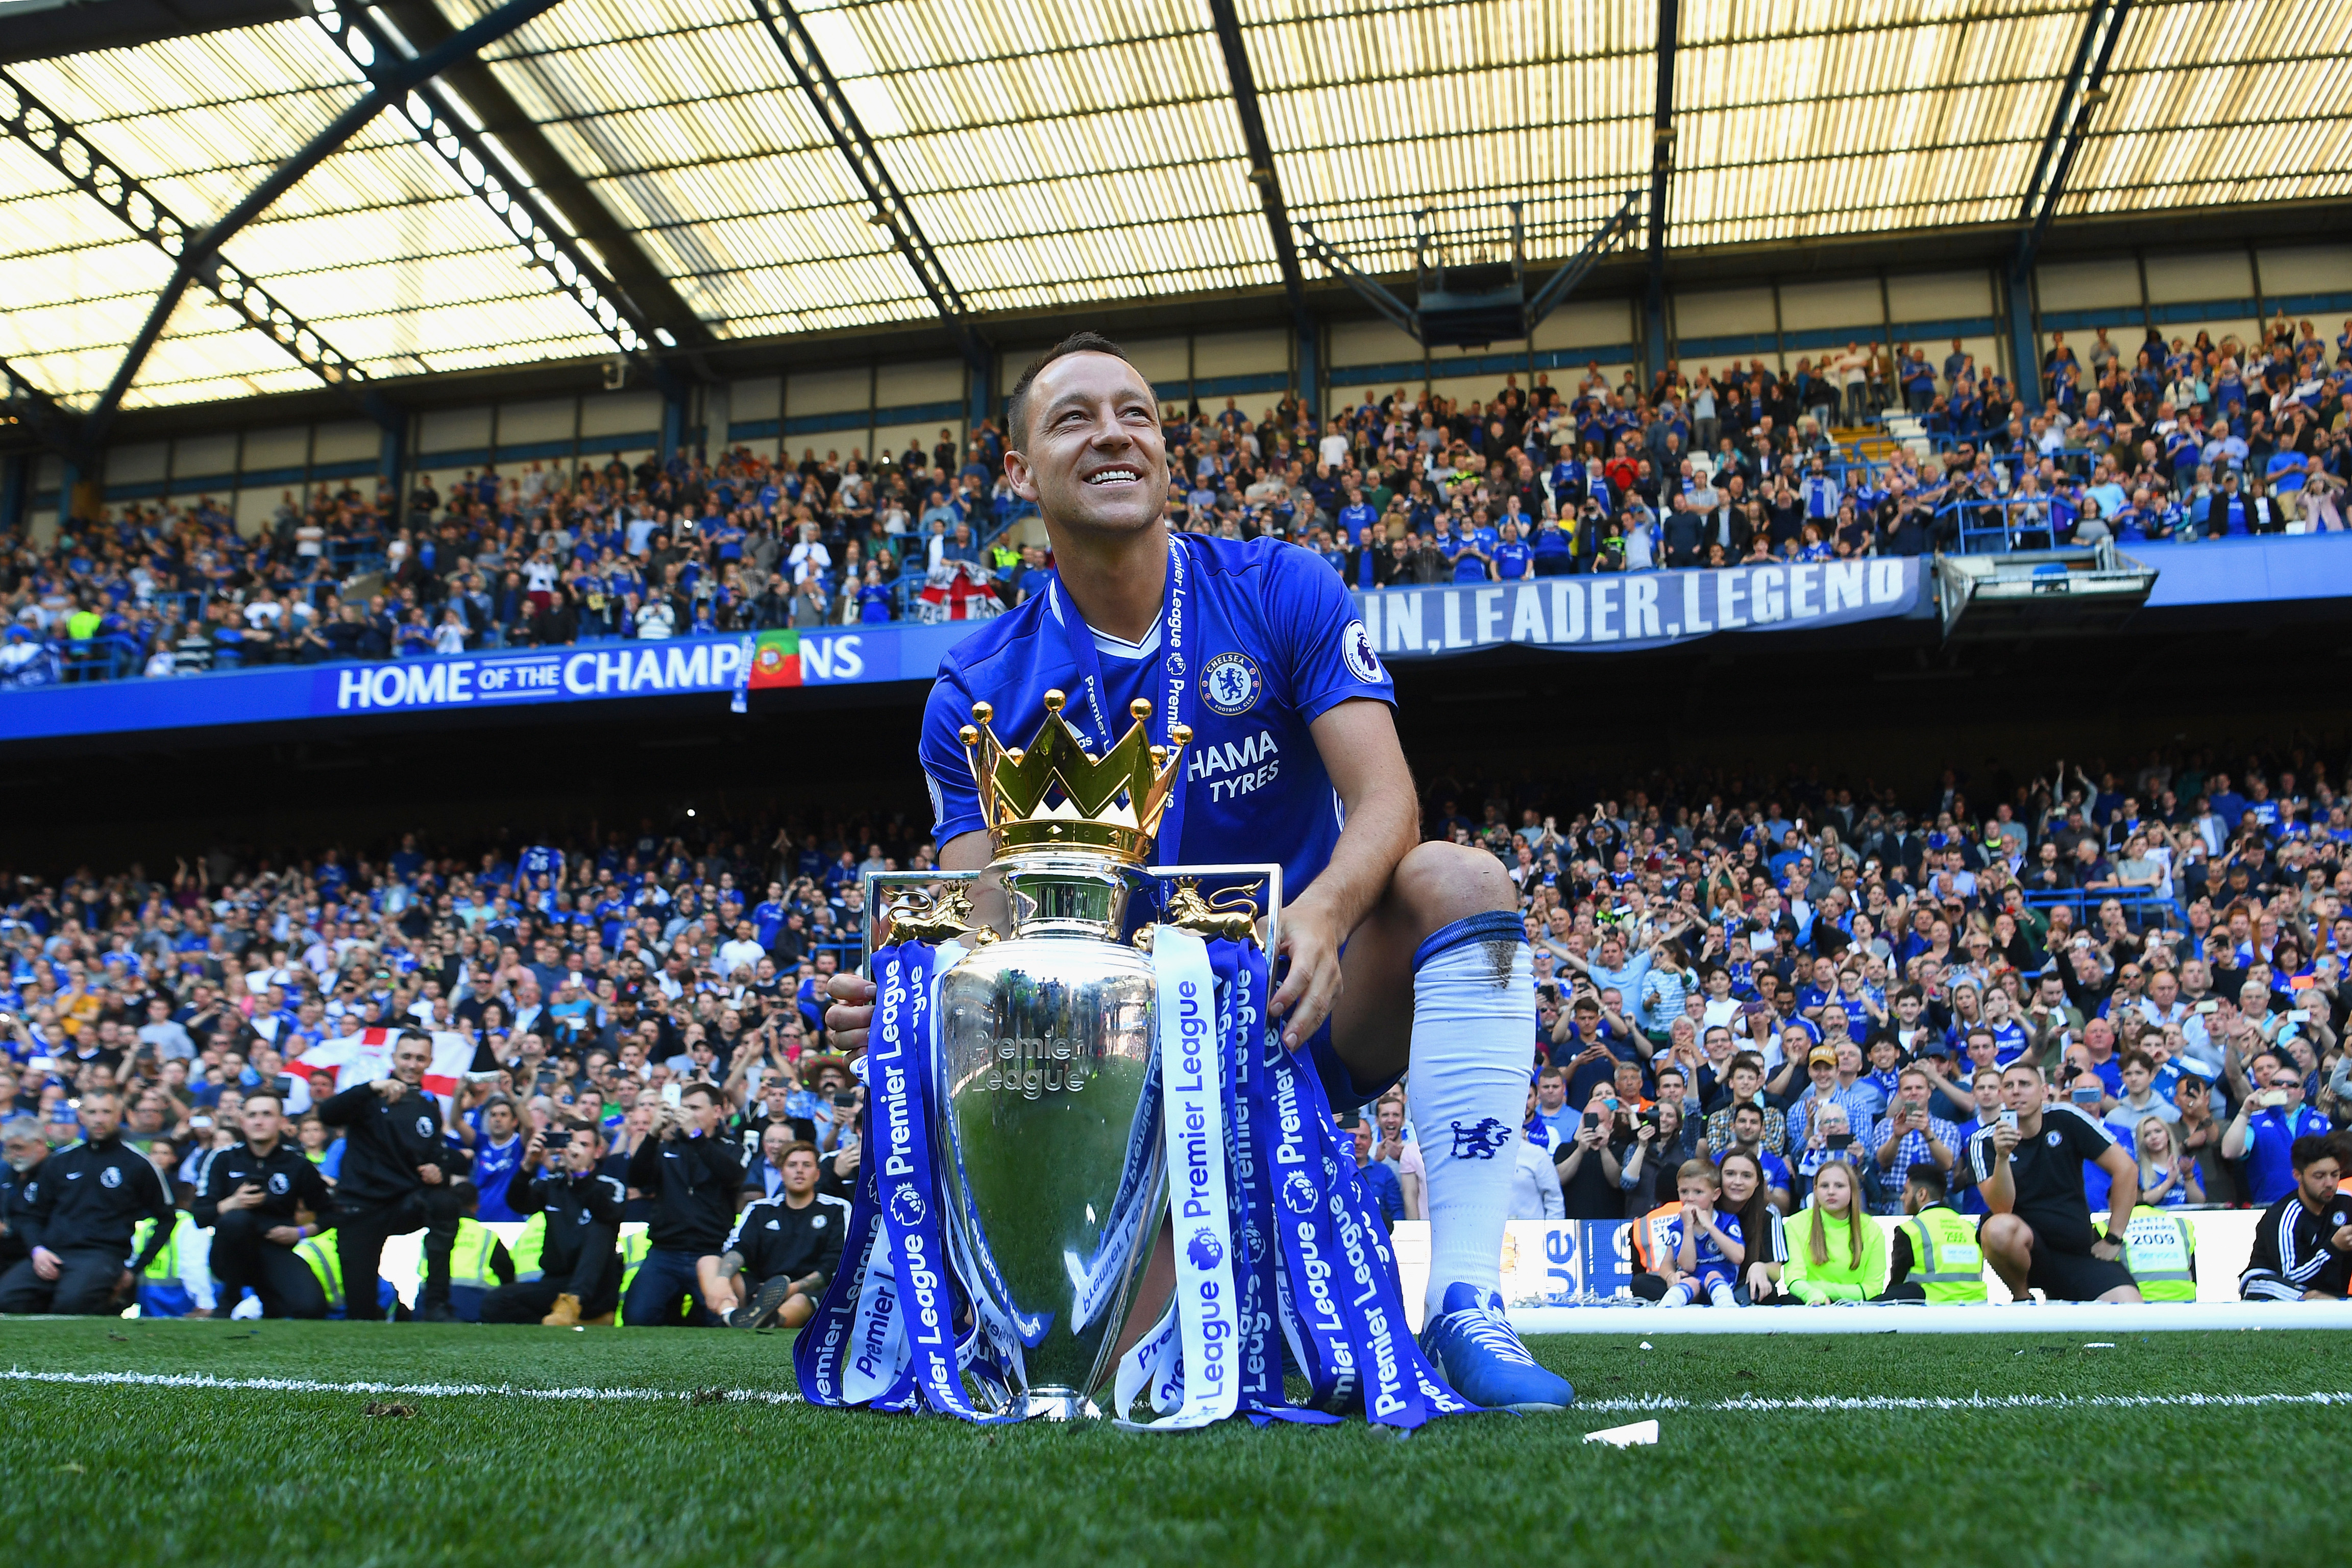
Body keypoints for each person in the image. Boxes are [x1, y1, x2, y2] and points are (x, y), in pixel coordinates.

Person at [828, 333, 1572, 1410]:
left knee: (1464, 880)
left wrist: (1320, 913)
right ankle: (1292, 1207)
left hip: (1296, 1005)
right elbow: (986, 911)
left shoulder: (1280, 588)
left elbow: (1388, 802)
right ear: (1022, 472)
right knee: (1135, 1375)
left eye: (1136, 412)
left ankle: (1463, 1299)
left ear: (1167, 456)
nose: (1113, 432)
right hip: (1121, 1074)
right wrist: (914, 987)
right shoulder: (976, 684)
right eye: (1073, 417)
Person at [317, 1034, 465, 1322]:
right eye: (406, 1057)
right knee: (360, 1312)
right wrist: (373, 1087)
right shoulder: (368, 1098)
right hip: (360, 1207)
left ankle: (436, 1304)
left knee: (445, 1202)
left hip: (405, 1204)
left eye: (420, 1059)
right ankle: (390, 1310)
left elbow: (439, 1157)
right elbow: (328, 1113)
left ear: (430, 1063)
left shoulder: (428, 1107)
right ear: (394, 1058)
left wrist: (439, 1172)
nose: (412, 1065)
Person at [1969, 1062, 2143, 1303]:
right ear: (2001, 1096)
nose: (2016, 1091)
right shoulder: (1984, 1140)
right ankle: (2022, 1298)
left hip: (2076, 1253)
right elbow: (2001, 1208)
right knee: (1998, 1227)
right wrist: (2002, 1157)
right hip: (2025, 1252)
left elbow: (2126, 1169)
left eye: (2025, 1084)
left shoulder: (2066, 1118)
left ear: (2044, 1092)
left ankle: (2060, 1292)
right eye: (2009, 1086)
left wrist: (2114, 1237)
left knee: (2130, 1305)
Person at [0, 1090, 174, 1314]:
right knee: (6, 1300)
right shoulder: (59, 1161)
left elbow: (167, 1218)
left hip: (102, 1256)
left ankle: (111, 1303)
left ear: (118, 1115)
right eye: (92, 1112)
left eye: (106, 1112)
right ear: (82, 1116)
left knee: (71, 1304)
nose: (99, 1119)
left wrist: (135, 1269)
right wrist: (37, 1250)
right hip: (53, 1254)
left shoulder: (139, 1164)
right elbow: (31, 1214)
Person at [191, 1089, 335, 1319]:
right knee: (237, 1219)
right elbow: (200, 1216)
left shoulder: (297, 1164)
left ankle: (271, 1302)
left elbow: (330, 1213)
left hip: (275, 1249)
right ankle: (230, 1297)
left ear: (282, 1121)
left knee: (311, 1309)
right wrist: (232, 1203)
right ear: (242, 1122)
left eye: (267, 1114)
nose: (259, 1121)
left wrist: (299, 1232)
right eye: (252, 1115)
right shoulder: (223, 1159)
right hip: (229, 1255)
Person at [481, 1122, 625, 1327]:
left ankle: (575, 1306)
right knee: (494, 1303)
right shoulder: (551, 1185)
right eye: (571, 1145)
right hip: (556, 1282)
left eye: (583, 1145)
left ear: (598, 1151)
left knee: (600, 1224)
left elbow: (611, 1214)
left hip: (596, 1287)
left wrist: (582, 1174)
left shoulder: (610, 1186)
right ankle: (579, 1321)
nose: (575, 1151)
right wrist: (528, 1165)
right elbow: (519, 1204)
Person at [623, 1083, 744, 1326]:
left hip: (710, 1252)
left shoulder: (732, 1147)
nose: (686, 1114)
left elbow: (733, 1177)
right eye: (684, 1107)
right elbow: (637, 1180)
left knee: (719, 1321)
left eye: (695, 1108)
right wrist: (652, 1134)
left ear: (717, 1112)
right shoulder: (667, 1146)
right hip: (665, 1252)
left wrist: (697, 1136)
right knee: (637, 1317)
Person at [713, 1140, 847, 1329]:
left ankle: (770, 1322)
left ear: (817, 1174)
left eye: (807, 1165)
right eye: (792, 1165)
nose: (799, 1171)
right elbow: (739, 1249)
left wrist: (790, 1289)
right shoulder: (759, 1209)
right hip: (760, 1288)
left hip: (808, 1290)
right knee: (710, 1264)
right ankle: (731, 1316)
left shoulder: (837, 1208)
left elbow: (834, 1264)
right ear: (781, 1173)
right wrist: (723, 1279)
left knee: (801, 1300)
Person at [2238, 1136, 2352, 1301]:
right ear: (2298, 1176)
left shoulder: (2345, 1201)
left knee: (2326, 1300)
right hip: (2269, 1283)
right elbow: (2293, 1276)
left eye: (2335, 1175)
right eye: (2319, 1176)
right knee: (2314, 1299)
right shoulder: (2285, 1215)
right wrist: (2333, 1248)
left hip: (2321, 1287)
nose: (2329, 1183)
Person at [1780, 1158, 1889, 1304]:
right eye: (1824, 1186)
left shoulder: (1872, 1229)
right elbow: (1794, 1280)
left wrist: (1819, 1288)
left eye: (1839, 1186)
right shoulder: (1794, 1224)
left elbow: (1873, 1289)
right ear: (1815, 1191)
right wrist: (1815, 1295)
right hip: (1812, 1306)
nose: (1831, 1192)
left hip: (1858, 1312)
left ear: (1853, 1190)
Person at [1880, 1163, 1985, 1303]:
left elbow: (1896, 1285)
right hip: (1977, 1308)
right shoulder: (1969, 1227)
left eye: (1906, 1192)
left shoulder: (1911, 1230)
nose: (1902, 1198)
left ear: (1922, 1194)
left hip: (1932, 1313)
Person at [1658, 1159, 1743, 1307]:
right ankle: (1665, 1311)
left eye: (1698, 1192)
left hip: (1723, 1280)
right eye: (1684, 1192)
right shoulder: (1678, 1226)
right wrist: (1688, 1228)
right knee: (1687, 1281)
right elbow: (1687, 1266)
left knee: (1713, 1275)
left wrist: (1709, 1226)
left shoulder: (1727, 1221)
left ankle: (1728, 1309)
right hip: (1693, 1284)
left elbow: (1738, 1257)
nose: (1690, 1198)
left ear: (1715, 1195)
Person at [1716, 1148, 1786, 1302]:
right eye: (1730, 1174)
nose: (1738, 1182)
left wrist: (1760, 1267)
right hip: (1702, 1286)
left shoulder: (1769, 1213)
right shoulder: (1706, 1209)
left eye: (1747, 1176)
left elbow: (1777, 1269)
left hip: (1745, 1291)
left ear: (1758, 1182)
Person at [1, 1114, 47, 1272]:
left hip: (37, 1253)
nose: (13, 1155)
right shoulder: (10, 1172)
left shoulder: (55, 1172)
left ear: (39, 1144)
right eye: (9, 1149)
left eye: (19, 1148)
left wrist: (8, 1229)